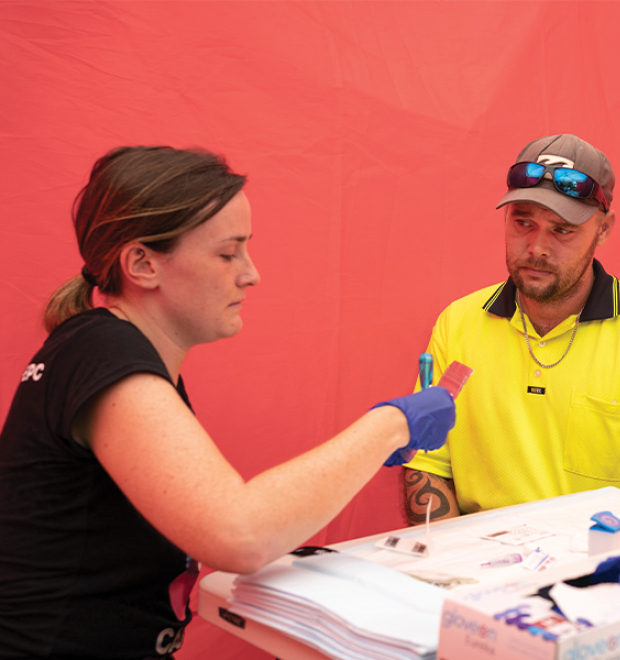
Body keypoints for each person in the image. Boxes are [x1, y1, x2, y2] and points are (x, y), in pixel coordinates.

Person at [0, 146, 456, 659]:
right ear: (142, 263)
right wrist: (393, 424)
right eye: (227, 252)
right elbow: (239, 536)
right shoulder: (103, 354)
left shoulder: (108, 351)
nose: (251, 274)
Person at [403, 133, 620, 525]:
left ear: (604, 229)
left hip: (599, 573)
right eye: (523, 222)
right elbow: (426, 465)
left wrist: (571, 565)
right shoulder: (457, 324)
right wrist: (448, 563)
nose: (537, 247)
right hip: (476, 571)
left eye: (562, 230)